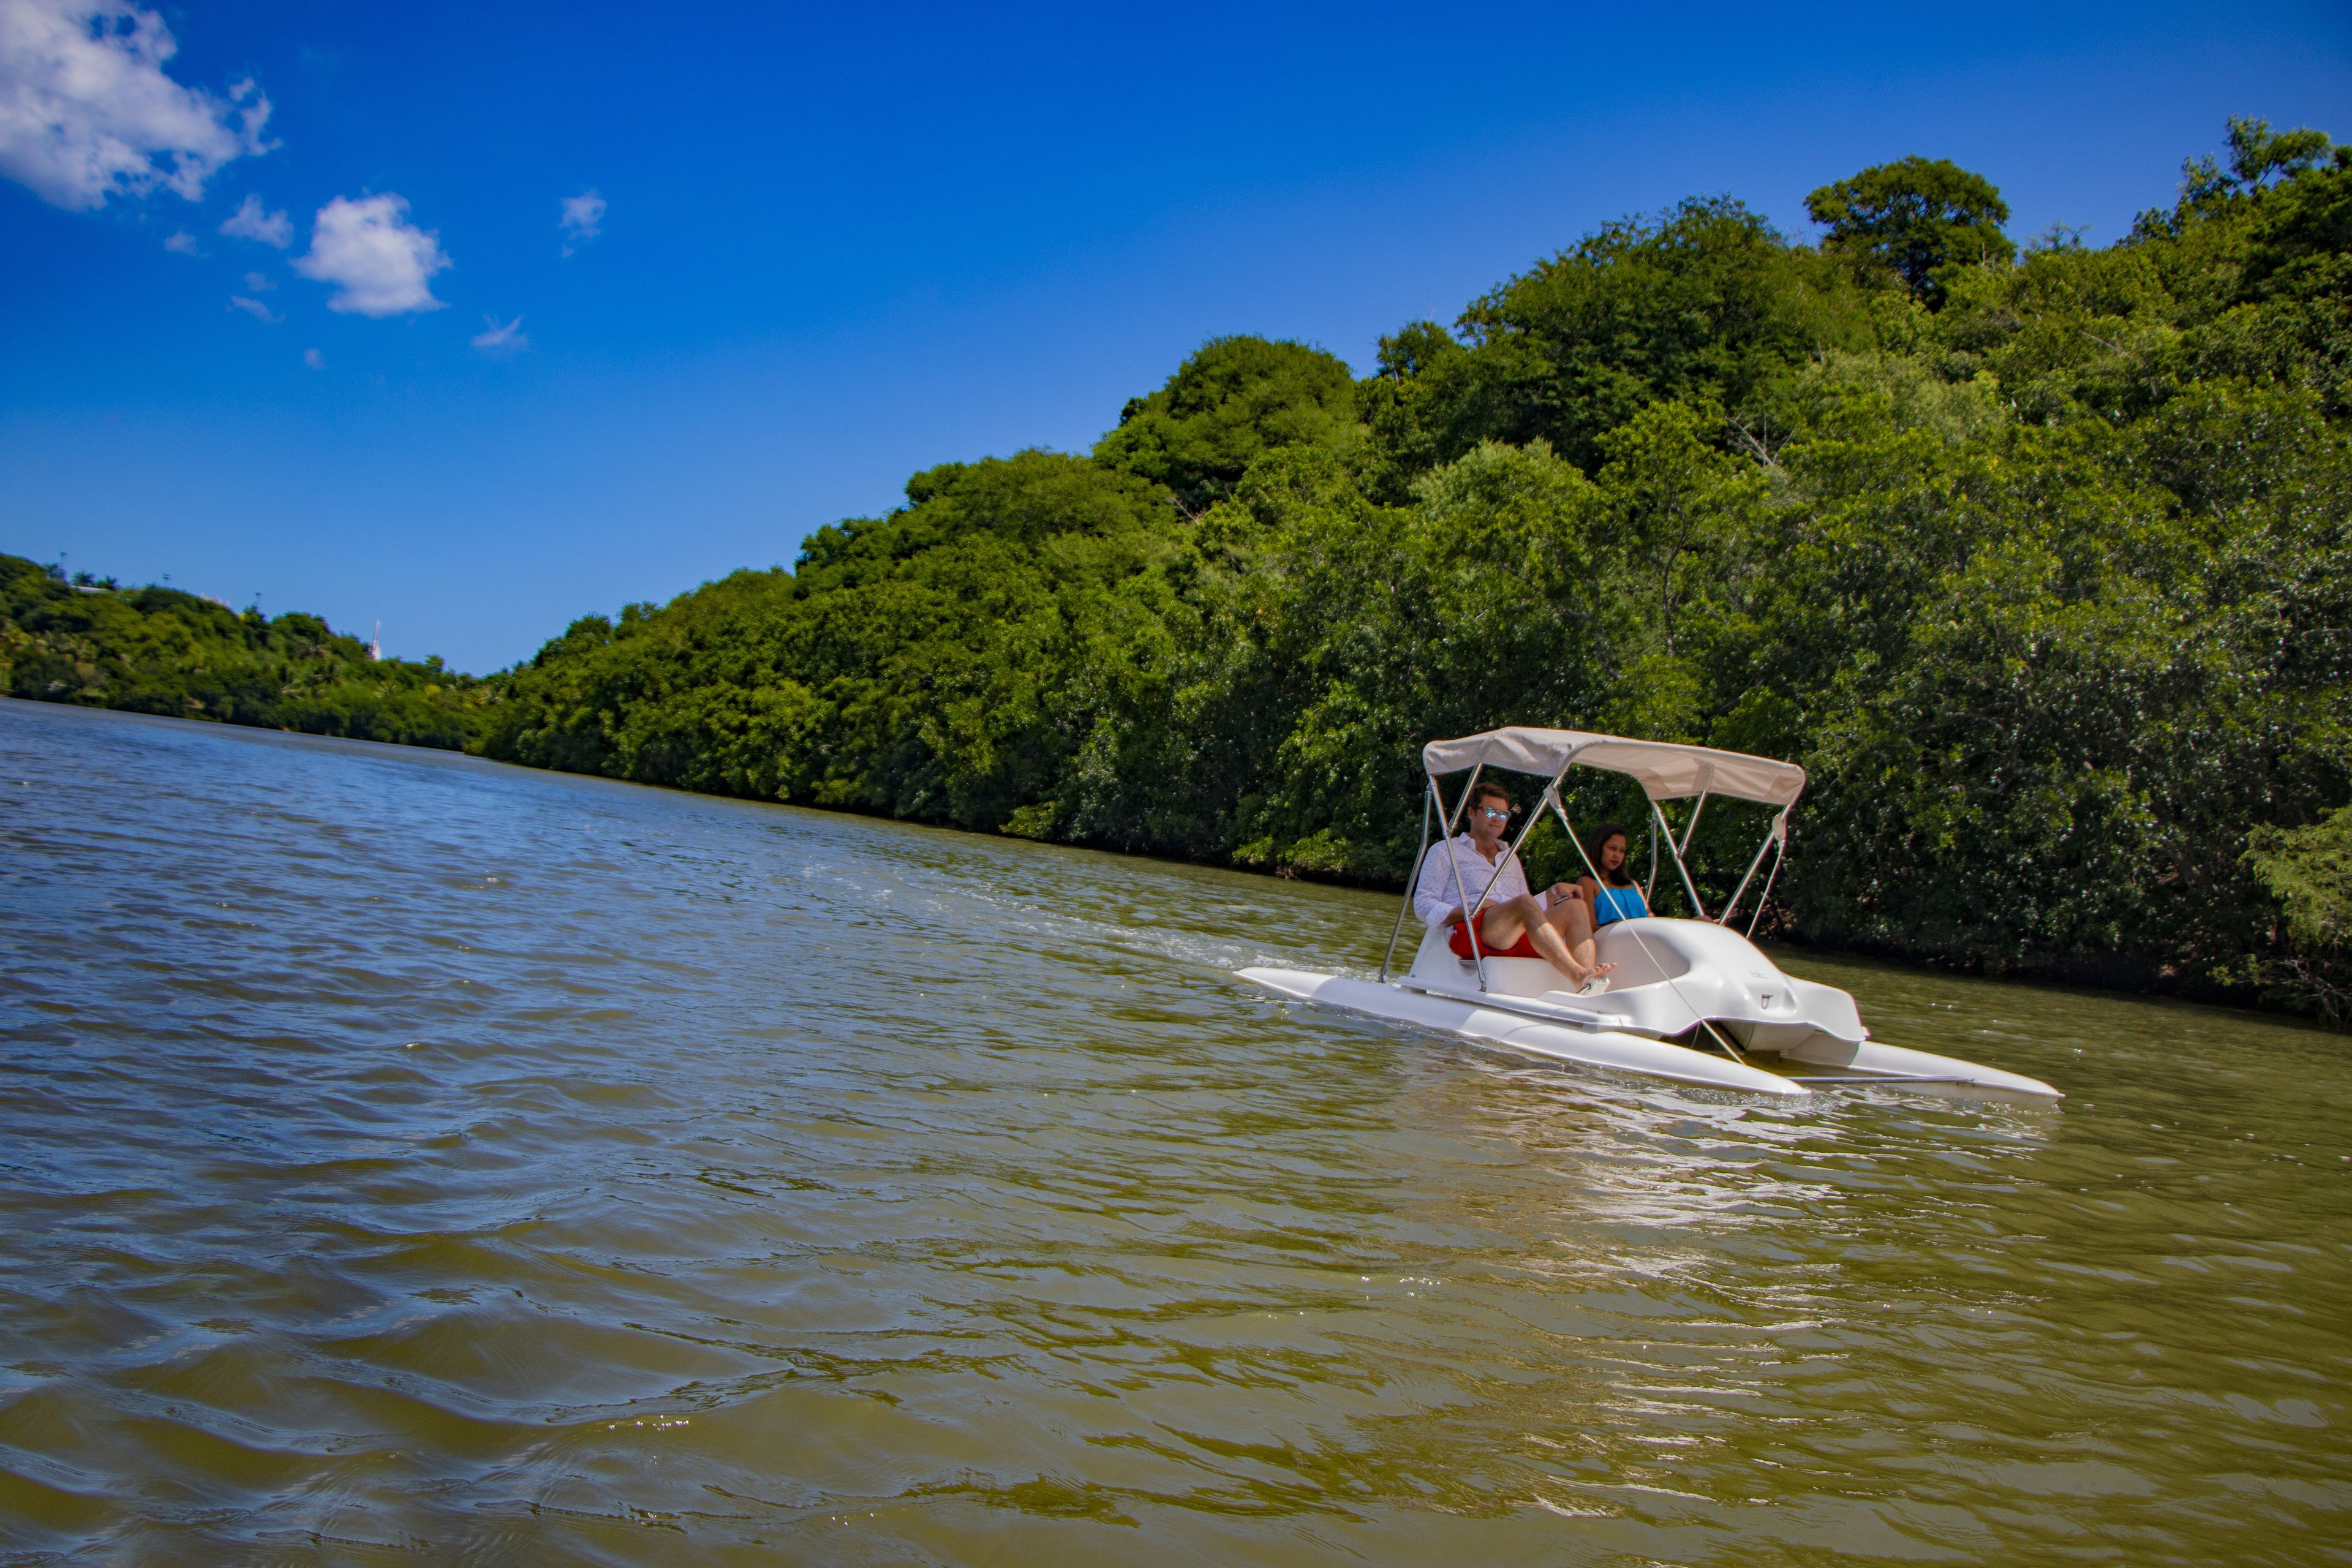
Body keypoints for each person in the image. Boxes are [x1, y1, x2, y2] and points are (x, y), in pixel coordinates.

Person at [1412, 781, 1615, 992]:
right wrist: (1469, 912)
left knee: (1576, 906)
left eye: (1504, 815)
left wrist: (1553, 892)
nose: (1497, 819)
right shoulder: (1445, 851)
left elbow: (1527, 909)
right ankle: (1578, 975)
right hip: (1471, 931)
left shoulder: (1509, 857)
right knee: (1523, 904)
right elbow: (1423, 904)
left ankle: (1589, 982)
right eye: (1490, 811)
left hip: (1511, 930)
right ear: (1472, 813)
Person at [1573, 823, 1649, 925]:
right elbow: (1588, 928)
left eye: (1622, 851)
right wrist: (1615, 926)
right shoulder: (1587, 883)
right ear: (1599, 848)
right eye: (1612, 848)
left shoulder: (1633, 884)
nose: (1617, 855)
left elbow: (1650, 916)